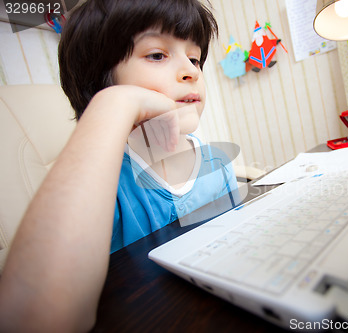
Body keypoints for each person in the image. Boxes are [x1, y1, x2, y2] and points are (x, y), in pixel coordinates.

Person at [0, 0, 238, 331]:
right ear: (102, 83)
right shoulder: (105, 186)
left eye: (195, 58)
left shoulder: (217, 163)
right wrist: (113, 104)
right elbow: (36, 316)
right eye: (157, 54)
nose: (192, 71)